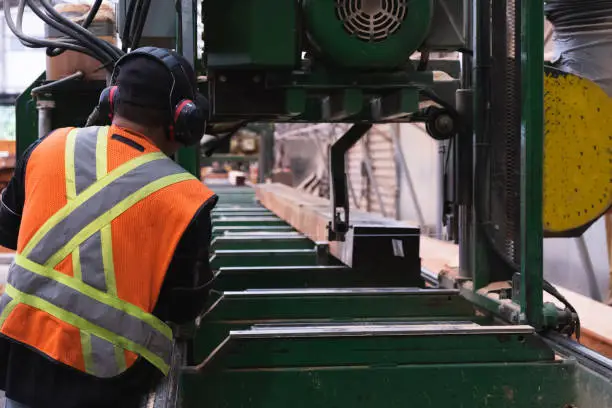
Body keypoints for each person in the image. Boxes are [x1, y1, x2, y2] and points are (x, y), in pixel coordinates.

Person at [0, 47, 217, 408]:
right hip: (108, 382)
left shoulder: (50, 146)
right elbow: (184, 309)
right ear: (184, 121)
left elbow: (7, 231)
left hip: (18, 361)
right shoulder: (187, 198)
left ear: (111, 101)